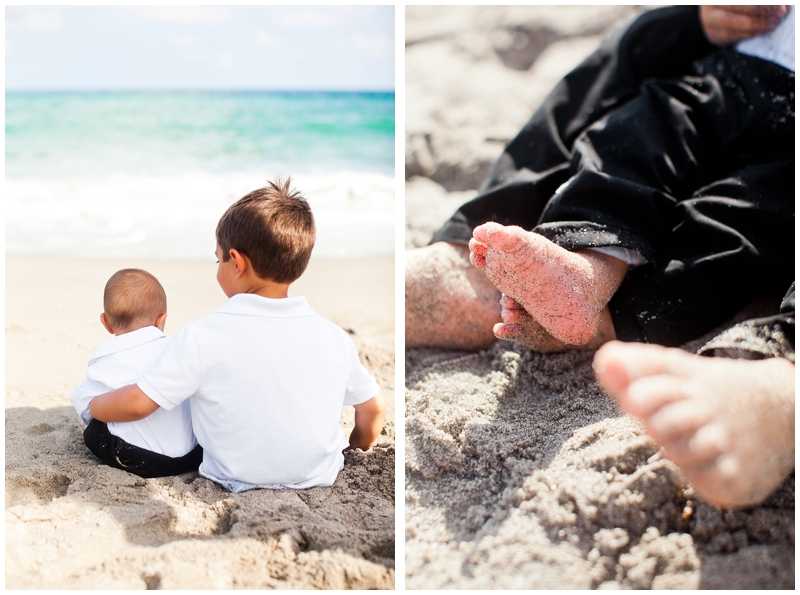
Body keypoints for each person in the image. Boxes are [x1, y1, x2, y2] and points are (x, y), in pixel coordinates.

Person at [407, 5, 793, 352]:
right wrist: (699, 19)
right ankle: (577, 271)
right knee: (631, 135)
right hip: (730, 71)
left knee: (745, 213)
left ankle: (596, 308)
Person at [88, 179, 386, 493]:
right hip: (318, 476)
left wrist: (94, 406)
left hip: (234, 478)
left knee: (99, 431)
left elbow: (137, 403)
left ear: (237, 263)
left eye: (219, 260)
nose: (218, 267)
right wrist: (355, 445)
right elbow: (373, 410)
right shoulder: (334, 338)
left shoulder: (202, 335)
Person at [72, 269, 202, 478]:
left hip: (140, 459)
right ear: (162, 320)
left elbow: (85, 406)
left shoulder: (107, 362)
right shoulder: (178, 349)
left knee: (93, 431)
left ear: (105, 322)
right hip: (194, 454)